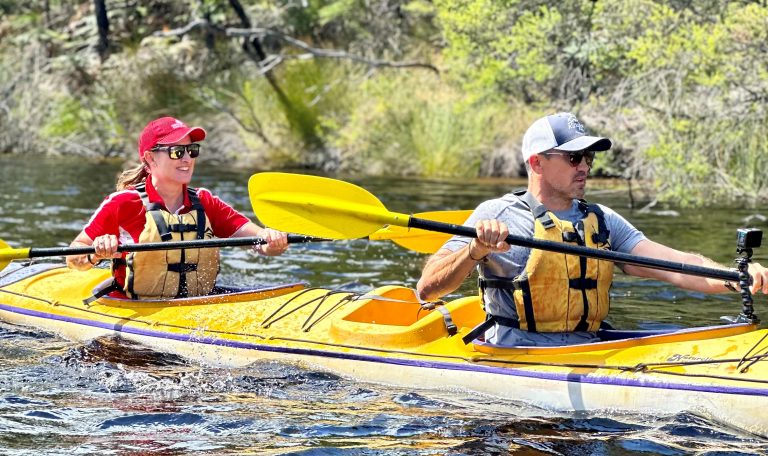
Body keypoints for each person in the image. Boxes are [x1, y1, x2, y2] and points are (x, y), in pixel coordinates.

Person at [417, 112, 768, 346]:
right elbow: (428, 289)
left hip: (588, 348)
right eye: (574, 158)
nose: (584, 166)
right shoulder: (496, 213)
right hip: (516, 353)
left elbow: (677, 266)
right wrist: (474, 251)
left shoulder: (602, 221)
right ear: (537, 162)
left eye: (589, 158)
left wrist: (739, 277)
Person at [66, 116, 289, 300]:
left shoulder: (205, 201)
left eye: (191, 150)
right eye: (176, 151)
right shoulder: (124, 203)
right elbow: (73, 258)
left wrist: (271, 240)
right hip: (137, 310)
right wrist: (96, 253)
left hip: (196, 307)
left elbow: (260, 244)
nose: (187, 159)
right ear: (150, 158)